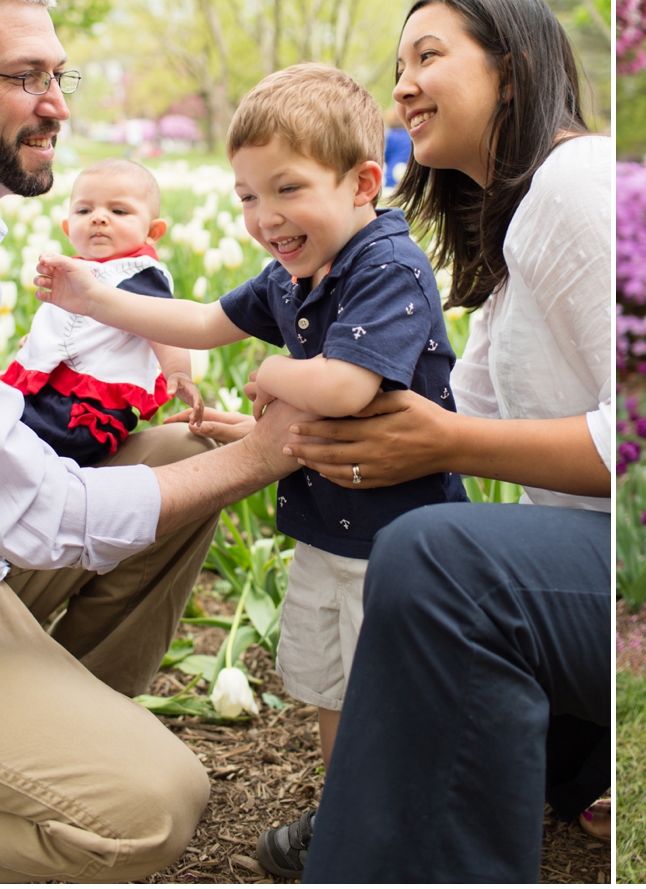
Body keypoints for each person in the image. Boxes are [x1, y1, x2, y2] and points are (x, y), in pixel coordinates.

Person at [0, 0, 305, 883]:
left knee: (174, 452)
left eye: (57, 77)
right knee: (150, 812)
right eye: (26, 78)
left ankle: (44, 731)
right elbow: (39, 510)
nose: (58, 103)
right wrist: (272, 452)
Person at [34, 62, 471, 880]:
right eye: (245, 197)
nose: (264, 218)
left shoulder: (386, 269)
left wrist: (269, 378)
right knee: (332, 686)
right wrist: (99, 302)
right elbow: (202, 320)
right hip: (331, 525)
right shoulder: (295, 270)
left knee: (396, 695)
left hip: (401, 544)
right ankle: (344, 810)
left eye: (287, 189)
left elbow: (345, 384)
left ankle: (404, 833)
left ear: (362, 182)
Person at [241, 0, 611, 882]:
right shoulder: (511, 235)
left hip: (606, 561)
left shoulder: (579, 182)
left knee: (437, 557)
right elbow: (448, 417)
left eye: (430, 56)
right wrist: (288, 428)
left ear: (513, 74)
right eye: (399, 65)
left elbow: (637, 438)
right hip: (565, 569)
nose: (404, 85)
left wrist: (444, 448)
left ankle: (378, 858)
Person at [1, 158, 201, 466]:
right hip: (47, 388)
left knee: (15, 436)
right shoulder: (77, 268)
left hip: (84, 404)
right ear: (68, 228)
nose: (99, 218)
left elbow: (163, 325)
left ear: (153, 232)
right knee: (2, 422)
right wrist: (40, 338)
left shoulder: (139, 273)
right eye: (84, 210)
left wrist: (178, 371)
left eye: (118, 211)